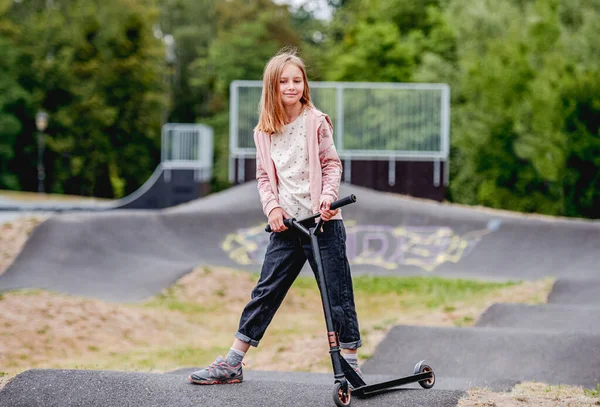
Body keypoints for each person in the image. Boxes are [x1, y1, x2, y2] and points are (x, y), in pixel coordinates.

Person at [189, 48, 362, 385]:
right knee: (266, 292)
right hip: (287, 227)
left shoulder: (316, 122)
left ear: (304, 85)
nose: (292, 86)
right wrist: (274, 209)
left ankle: (352, 364)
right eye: (284, 81)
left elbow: (331, 165)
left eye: (297, 80)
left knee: (338, 294)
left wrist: (328, 199)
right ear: (273, 87)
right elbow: (265, 178)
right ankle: (233, 363)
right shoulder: (263, 132)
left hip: (322, 224)